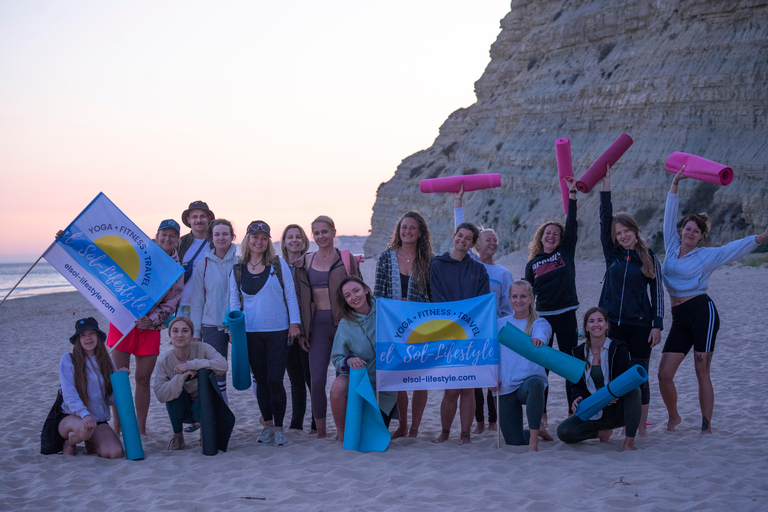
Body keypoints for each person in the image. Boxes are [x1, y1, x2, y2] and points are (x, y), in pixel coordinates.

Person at [658, 167, 768, 434]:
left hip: (702, 312)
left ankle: (706, 426)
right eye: (687, 228)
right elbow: (669, 214)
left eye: (696, 231)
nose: (690, 233)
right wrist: (675, 184)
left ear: (701, 236)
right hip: (680, 318)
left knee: (701, 371)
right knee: (663, 374)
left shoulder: (707, 255)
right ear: (682, 229)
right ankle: (674, 417)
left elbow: (734, 247)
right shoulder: (671, 245)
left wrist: (762, 237)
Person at [598, 169, 664, 436]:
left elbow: (658, 293)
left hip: (640, 326)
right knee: (612, 374)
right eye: (618, 233)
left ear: (635, 231)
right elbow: (604, 219)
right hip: (612, 323)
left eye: (626, 231)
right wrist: (606, 186)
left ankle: (639, 426)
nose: (623, 236)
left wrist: (656, 325)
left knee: (639, 376)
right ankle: (612, 422)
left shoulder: (649, 257)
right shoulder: (612, 254)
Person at [107, 219, 185, 435]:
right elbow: (107, 251)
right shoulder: (138, 251)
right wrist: (70, 240)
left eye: (172, 235)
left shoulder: (176, 269)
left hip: (150, 327)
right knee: (119, 377)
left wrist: (151, 319)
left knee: (142, 379)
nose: (167, 238)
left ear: (177, 239)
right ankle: (118, 427)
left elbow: (173, 301)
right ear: (157, 235)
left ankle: (141, 430)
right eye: (164, 234)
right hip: (123, 320)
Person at [229, 220, 301, 446]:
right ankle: (268, 426)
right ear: (247, 239)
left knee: (275, 379)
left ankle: (280, 427)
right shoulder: (237, 269)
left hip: (278, 331)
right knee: (260, 380)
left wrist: (294, 323)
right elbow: (233, 302)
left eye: (263, 238)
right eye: (255, 237)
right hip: (251, 332)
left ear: (268, 241)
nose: (258, 241)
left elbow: (290, 295)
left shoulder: (278, 265)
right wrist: (234, 330)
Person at [293, 216, 361, 438]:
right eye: (317, 233)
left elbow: (359, 292)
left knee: (349, 377)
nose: (321, 236)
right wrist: (302, 330)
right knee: (317, 380)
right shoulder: (305, 261)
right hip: (317, 328)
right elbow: (297, 297)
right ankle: (321, 431)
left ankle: (345, 429)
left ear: (334, 232)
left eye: (325, 232)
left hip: (344, 325)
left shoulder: (346, 259)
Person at [454, 186, 513, 434]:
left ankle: (492, 421)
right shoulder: (471, 264)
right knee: (474, 376)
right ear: (477, 245)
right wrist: (458, 202)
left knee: (493, 375)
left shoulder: (503, 273)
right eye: (488, 239)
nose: (493, 242)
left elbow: (508, 307)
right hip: (471, 329)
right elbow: (460, 232)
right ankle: (479, 422)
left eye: (495, 240)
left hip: (495, 329)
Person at [524, 176, 579, 424]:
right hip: (543, 318)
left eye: (556, 233)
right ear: (541, 236)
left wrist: (573, 196)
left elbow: (573, 224)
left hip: (567, 314)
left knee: (569, 363)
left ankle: (572, 410)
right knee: (542, 365)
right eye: (548, 232)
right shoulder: (532, 263)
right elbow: (526, 293)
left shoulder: (565, 252)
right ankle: (542, 414)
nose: (552, 236)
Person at [373, 211, 432, 439]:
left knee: (419, 378)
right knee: (400, 378)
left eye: (412, 228)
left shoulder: (428, 260)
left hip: (420, 328)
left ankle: (415, 428)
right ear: (398, 231)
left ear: (420, 233)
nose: (407, 231)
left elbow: (432, 295)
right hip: (392, 328)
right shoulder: (386, 258)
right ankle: (403, 425)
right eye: (404, 227)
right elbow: (378, 294)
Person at [430, 222, 490, 444]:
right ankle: (445, 432)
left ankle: (465, 434)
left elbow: (482, 302)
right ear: (454, 235)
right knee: (451, 388)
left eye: (468, 238)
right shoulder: (437, 264)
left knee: (469, 387)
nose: (462, 240)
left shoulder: (478, 269)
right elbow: (436, 297)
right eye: (460, 235)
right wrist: (453, 322)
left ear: (473, 244)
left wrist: (467, 322)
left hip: (472, 333)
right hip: (446, 332)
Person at [557, 307, 641, 451]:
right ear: (586, 327)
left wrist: (616, 394)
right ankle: (601, 432)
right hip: (593, 408)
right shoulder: (577, 353)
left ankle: (629, 442)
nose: (596, 324)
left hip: (616, 408)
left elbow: (625, 379)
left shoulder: (618, 348)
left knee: (635, 390)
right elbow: (575, 385)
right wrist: (577, 398)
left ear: (607, 325)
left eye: (600, 320)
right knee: (564, 432)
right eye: (591, 321)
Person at [330, 276, 398, 442]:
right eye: (348, 295)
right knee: (337, 386)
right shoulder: (345, 324)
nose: (353, 297)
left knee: (373, 437)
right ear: (345, 300)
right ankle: (341, 433)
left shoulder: (386, 310)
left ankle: (403, 426)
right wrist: (349, 360)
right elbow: (337, 357)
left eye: (356, 291)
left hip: (385, 385)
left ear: (366, 290)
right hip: (360, 382)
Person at [152, 317, 228, 450]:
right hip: (182, 407)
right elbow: (160, 394)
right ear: (170, 335)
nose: (180, 335)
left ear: (192, 335)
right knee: (172, 393)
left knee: (205, 394)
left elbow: (223, 365)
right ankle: (177, 436)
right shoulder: (164, 361)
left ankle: (205, 432)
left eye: (185, 331)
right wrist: (183, 376)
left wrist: (192, 365)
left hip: (205, 404)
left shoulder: (203, 348)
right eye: (175, 331)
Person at [495, 281, 553, 451]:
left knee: (536, 384)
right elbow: (491, 355)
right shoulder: (500, 324)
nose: (518, 300)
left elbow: (543, 334)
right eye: (514, 296)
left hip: (527, 385)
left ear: (531, 299)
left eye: (523, 296)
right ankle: (538, 431)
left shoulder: (538, 323)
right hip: (506, 386)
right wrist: (492, 378)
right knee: (514, 440)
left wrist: (539, 340)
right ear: (509, 298)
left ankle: (534, 443)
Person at [58, 317, 124, 458]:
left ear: (98, 336)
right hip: (72, 418)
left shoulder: (106, 360)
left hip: (97, 421)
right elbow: (69, 393)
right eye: (83, 335)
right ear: (78, 340)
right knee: (84, 429)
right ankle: (69, 443)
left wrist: (120, 382)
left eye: (92, 333)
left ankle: (91, 443)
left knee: (115, 453)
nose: (88, 338)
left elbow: (110, 399)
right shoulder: (68, 359)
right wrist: (84, 414)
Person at [189, 219, 238, 406]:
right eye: (217, 234)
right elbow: (197, 302)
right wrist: (195, 334)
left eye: (225, 234)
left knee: (249, 369)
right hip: (212, 325)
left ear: (232, 236)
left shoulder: (240, 261)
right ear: (211, 237)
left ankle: (266, 419)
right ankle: (222, 412)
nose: (221, 238)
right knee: (217, 371)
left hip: (237, 325)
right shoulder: (203, 265)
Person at [280, 224, 314, 431]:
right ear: (283, 242)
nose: (294, 240)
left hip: (309, 328)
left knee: (312, 378)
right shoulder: (277, 266)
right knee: (295, 379)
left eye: (298, 236)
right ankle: (296, 424)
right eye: (289, 237)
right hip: (285, 329)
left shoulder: (311, 263)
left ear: (303, 240)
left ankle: (315, 423)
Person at [177, 201, 215, 317]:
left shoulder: (217, 242)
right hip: (185, 304)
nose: (198, 220)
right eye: (194, 217)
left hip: (211, 305)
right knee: (183, 336)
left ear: (209, 218)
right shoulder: (180, 243)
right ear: (188, 219)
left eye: (202, 216)